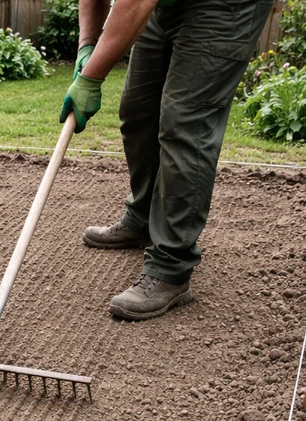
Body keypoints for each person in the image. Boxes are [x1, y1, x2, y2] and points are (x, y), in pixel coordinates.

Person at [60, 0, 274, 320]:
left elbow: (135, 2)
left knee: (185, 124)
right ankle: (143, 219)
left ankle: (171, 267)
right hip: (167, 6)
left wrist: (91, 79)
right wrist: (87, 47)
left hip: (226, 8)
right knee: (138, 112)